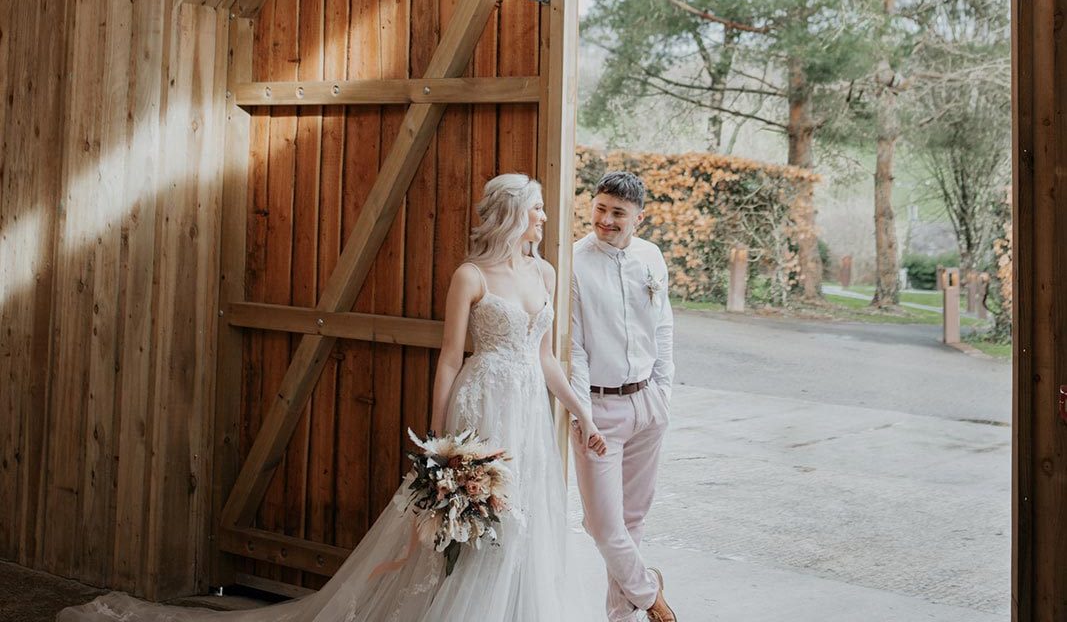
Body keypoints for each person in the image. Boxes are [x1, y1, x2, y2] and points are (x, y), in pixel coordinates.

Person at [59, 173, 605, 622]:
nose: (544, 217)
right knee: (474, 518)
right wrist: (436, 443)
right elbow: (448, 360)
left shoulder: (546, 274)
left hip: (529, 409)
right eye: (536, 208)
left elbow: (546, 358)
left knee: (524, 518)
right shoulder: (470, 276)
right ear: (512, 215)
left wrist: (584, 416)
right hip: (481, 404)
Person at [569, 171, 677, 622]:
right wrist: (584, 415)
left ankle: (622, 617)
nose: (606, 220)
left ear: (639, 217)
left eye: (618, 213)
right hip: (600, 411)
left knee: (632, 523)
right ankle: (652, 597)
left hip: (648, 404)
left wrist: (663, 392)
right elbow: (572, 347)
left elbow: (665, 326)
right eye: (600, 209)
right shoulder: (573, 260)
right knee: (605, 527)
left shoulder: (652, 257)